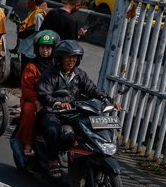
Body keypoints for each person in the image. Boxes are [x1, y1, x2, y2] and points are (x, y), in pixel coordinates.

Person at [36, 40, 120, 178]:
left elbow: (92, 89)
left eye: (74, 57)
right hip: (53, 111)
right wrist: (58, 103)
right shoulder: (49, 74)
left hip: (73, 111)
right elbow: (44, 94)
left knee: (89, 128)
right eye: (68, 57)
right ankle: (52, 160)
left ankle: (84, 158)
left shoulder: (79, 74)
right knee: (53, 129)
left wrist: (107, 99)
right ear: (60, 58)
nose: (72, 61)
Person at [15, 29, 58, 157]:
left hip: (53, 100)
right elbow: (26, 88)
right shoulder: (31, 66)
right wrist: (36, 100)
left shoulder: (57, 66)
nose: (45, 51)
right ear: (37, 49)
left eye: (48, 48)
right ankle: (27, 144)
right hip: (33, 100)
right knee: (30, 112)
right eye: (42, 47)